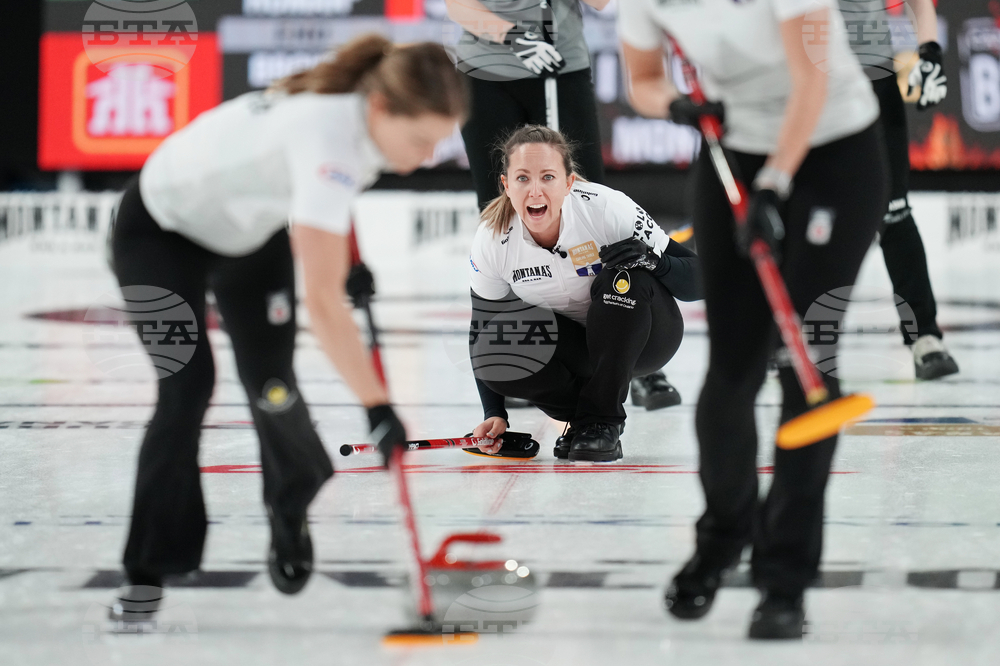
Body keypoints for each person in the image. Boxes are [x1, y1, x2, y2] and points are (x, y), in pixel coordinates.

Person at [106, 35, 468, 620]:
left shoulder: (363, 114)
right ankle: (148, 567)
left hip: (250, 234)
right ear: (381, 109)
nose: (426, 157)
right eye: (421, 140)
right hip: (159, 234)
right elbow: (323, 303)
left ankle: (289, 504)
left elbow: (331, 195)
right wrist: (376, 406)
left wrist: (352, 260)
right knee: (187, 386)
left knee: (272, 383)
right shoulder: (327, 134)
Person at [619, 0, 887, 639]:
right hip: (731, 155)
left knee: (806, 364)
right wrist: (677, 108)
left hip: (834, 153)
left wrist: (775, 182)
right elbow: (644, 80)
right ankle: (723, 535)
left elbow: (812, 77)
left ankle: (784, 577)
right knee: (730, 376)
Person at [445, 0, 682, 409]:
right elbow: (458, 5)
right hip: (485, 70)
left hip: (561, 64)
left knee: (589, 202)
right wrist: (512, 35)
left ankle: (636, 359)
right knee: (505, 208)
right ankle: (532, 353)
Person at [466, 125, 702, 463]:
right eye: (522, 178)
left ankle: (602, 420)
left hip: (647, 337)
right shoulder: (492, 239)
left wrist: (654, 261)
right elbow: (482, 332)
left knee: (623, 277)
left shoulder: (606, 209)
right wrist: (495, 412)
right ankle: (588, 420)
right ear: (505, 185)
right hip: (579, 350)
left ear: (569, 183)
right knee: (496, 345)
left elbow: (699, 282)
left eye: (547, 177)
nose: (535, 192)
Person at [839, 0, 958, 380]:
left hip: (874, 77)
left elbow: (919, 3)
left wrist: (929, 55)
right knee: (800, 215)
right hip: (807, 80)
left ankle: (925, 335)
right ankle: (784, 338)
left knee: (894, 211)